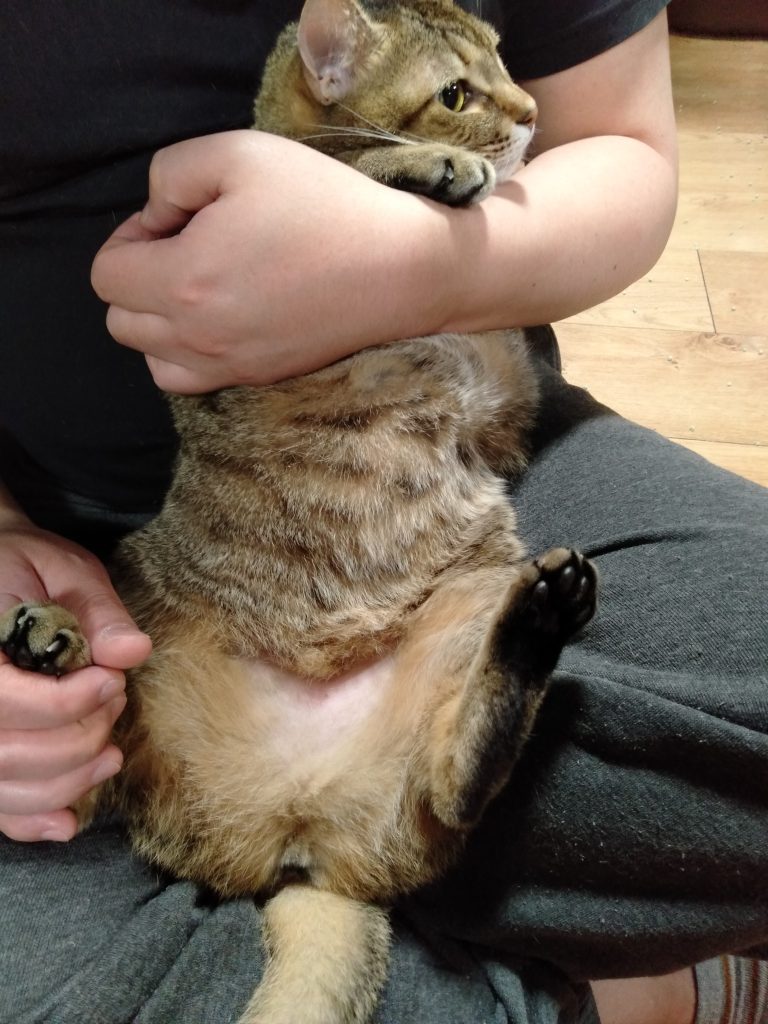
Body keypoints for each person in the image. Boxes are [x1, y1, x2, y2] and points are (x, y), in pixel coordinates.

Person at [0, 1, 766, 1022]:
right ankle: (647, 986)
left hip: (463, 481)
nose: (521, 110)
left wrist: (423, 263)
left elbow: (623, 147)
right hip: (148, 600)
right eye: (463, 92)